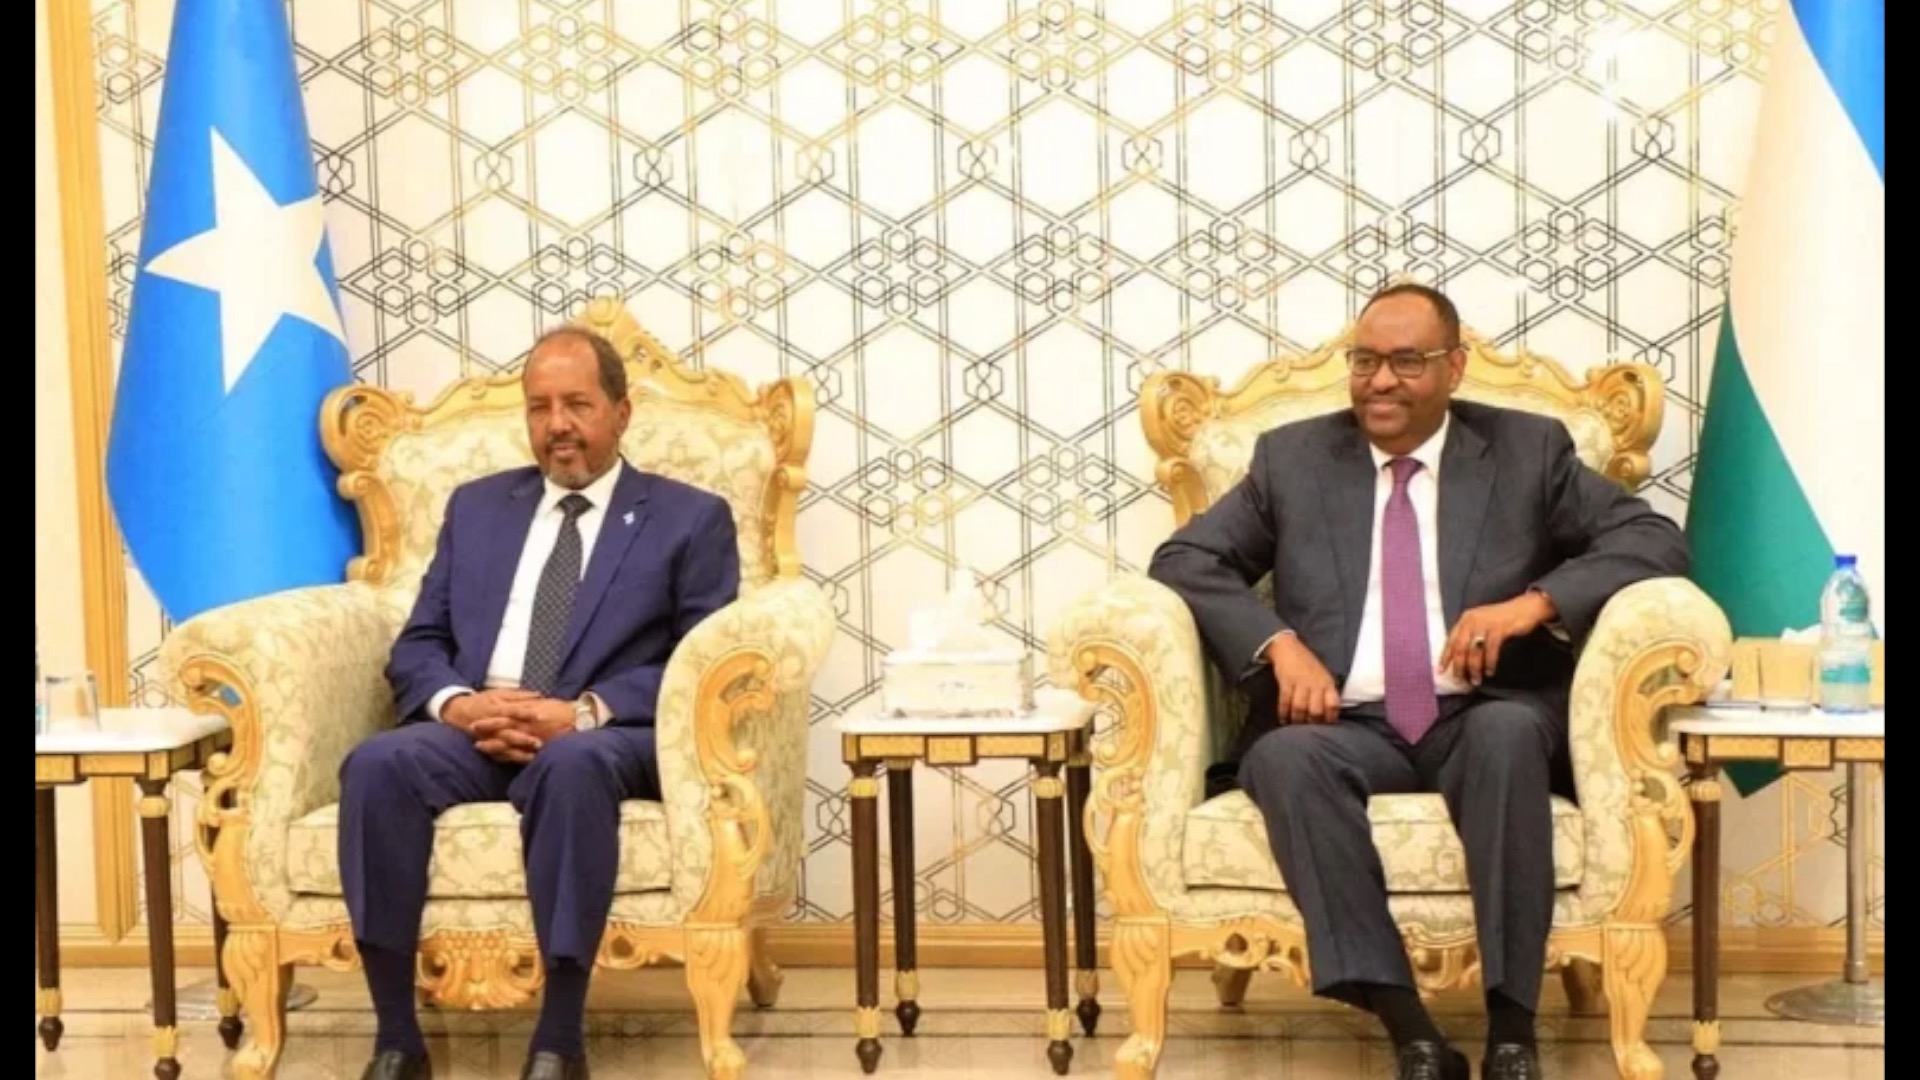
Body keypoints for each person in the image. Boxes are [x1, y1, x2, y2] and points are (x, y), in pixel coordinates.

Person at [1148, 283, 1689, 1080]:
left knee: (1509, 735)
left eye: (1407, 362)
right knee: (1286, 759)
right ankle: (1413, 1034)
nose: (1380, 381)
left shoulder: (1527, 451)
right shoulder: (1292, 458)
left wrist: (1533, 605)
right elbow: (1186, 558)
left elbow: (1653, 538)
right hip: (1344, 723)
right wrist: (1277, 644)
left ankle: (1513, 1032)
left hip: (1480, 711)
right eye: (1365, 361)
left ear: (1453, 368)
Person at [338, 327, 742, 1080]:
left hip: (604, 734)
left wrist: (582, 711)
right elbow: (420, 642)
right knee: (376, 766)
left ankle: (559, 1040)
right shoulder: (478, 508)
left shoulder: (689, 518)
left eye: (577, 405)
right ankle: (397, 1039)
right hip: (480, 724)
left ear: (621, 412)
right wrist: (460, 706)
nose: (558, 424)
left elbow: (701, 661)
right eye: (540, 407)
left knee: (572, 766)